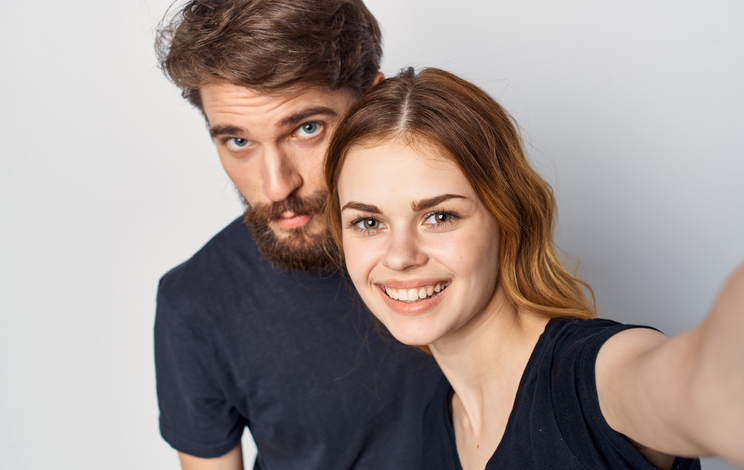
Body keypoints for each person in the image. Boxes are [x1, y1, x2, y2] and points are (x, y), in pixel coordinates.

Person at [324, 67, 744, 470]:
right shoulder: (441, 418)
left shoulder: (595, 375)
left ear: (508, 217)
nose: (400, 256)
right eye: (369, 223)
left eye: (440, 216)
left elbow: (700, 386)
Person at [153, 2, 441, 469]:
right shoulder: (195, 302)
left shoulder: (463, 233)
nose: (276, 186)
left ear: (374, 103)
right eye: (238, 141)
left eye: (306, 129)